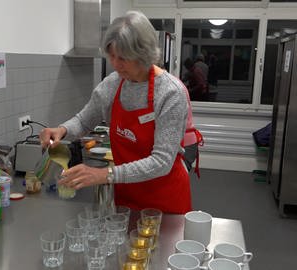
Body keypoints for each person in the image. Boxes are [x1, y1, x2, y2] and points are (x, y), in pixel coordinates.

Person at [40, 10, 192, 214]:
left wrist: (104, 175)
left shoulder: (170, 93)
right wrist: (62, 130)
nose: (115, 64)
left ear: (143, 54)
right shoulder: (113, 83)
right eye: (111, 55)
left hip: (165, 199)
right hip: (127, 196)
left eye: (123, 58)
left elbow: (161, 162)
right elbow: (85, 120)